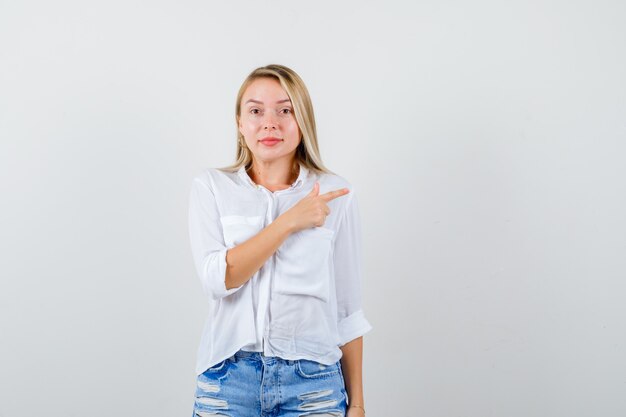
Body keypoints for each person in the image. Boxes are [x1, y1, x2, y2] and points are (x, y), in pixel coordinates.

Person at [188, 64, 373, 417]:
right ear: (240, 124)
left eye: (285, 110)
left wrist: (358, 404)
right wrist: (290, 220)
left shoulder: (336, 193)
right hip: (228, 381)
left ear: (302, 121)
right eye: (255, 111)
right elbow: (218, 279)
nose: (270, 122)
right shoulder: (211, 187)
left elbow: (347, 309)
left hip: (313, 384)